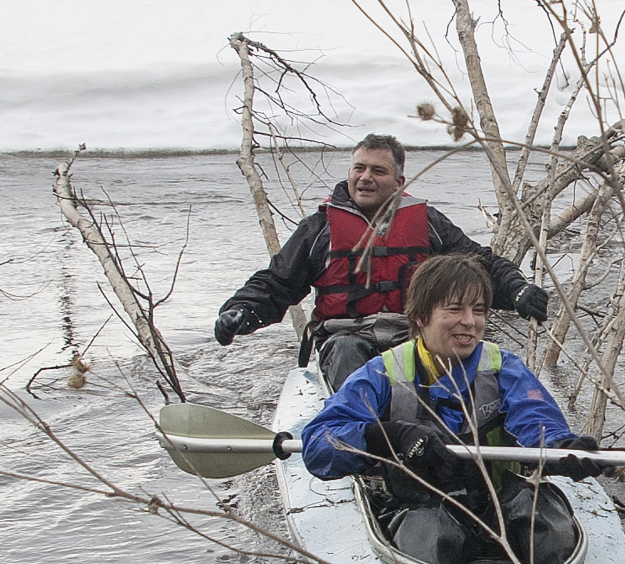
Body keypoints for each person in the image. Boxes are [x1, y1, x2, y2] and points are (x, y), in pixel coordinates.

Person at [299, 253, 601, 564]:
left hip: (497, 502)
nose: (470, 321)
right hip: (420, 506)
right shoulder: (382, 373)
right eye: (455, 309)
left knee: (550, 530)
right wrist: (387, 436)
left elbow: (537, 420)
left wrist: (560, 449)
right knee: (434, 537)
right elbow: (318, 445)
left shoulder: (503, 368)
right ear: (420, 316)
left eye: (478, 310)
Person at [214, 133, 551, 388]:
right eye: (359, 168)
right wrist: (242, 311)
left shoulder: (428, 224)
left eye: (378, 171)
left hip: (414, 338)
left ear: (399, 182)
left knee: (461, 366)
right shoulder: (319, 228)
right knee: (349, 354)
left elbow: (477, 265)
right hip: (345, 340)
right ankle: (363, 441)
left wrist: (517, 289)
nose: (365, 177)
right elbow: (277, 282)